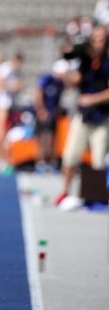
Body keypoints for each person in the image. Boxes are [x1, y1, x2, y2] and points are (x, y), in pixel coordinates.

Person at [54, 25, 109, 205]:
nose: (98, 42)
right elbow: (76, 80)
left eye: (101, 38)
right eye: (95, 38)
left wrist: (92, 99)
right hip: (83, 115)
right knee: (70, 155)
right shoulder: (86, 58)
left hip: (101, 116)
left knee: (98, 160)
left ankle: (95, 197)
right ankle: (65, 191)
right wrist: (65, 74)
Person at [33, 59, 66, 171]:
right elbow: (39, 94)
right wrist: (41, 110)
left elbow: (58, 100)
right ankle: (40, 162)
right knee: (42, 138)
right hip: (44, 113)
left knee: (51, 138)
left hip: (52, 113)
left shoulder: (61, 83)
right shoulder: (47, 79)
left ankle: (50, 161)